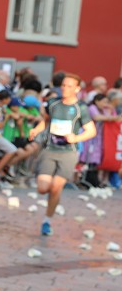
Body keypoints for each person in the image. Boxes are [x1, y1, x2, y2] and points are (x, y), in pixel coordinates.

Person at [29, 73, 96, 235]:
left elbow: (91, 131)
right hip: (50, 149)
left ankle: (47, 221)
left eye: (69, 86)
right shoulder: (53, 103)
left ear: (77, 89)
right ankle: (49, 206)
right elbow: (45, 120)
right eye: (63, 85)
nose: (65, 89)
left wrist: (76, 138)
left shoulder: (81, 108)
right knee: (43, 188)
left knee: (56, 187)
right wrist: (36, 130)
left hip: (68, 153)